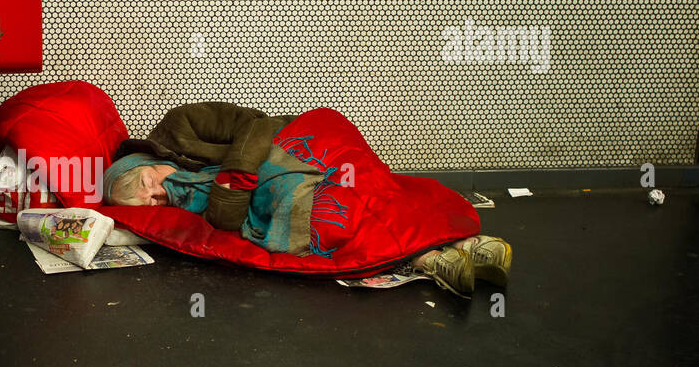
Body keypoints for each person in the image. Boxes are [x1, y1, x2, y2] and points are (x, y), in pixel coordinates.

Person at [102, 102, 511, 297]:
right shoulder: (184, 201)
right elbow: (222, 220)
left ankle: (459, 248)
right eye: (149, 203)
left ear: (146, 159)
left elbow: (256, 126)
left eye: (148, 181)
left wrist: (234, 182)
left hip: (292, 145)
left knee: (362, 186)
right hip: (274, 186)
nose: (158, 194)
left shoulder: (181, 125)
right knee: (325, 216)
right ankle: (439, 257)